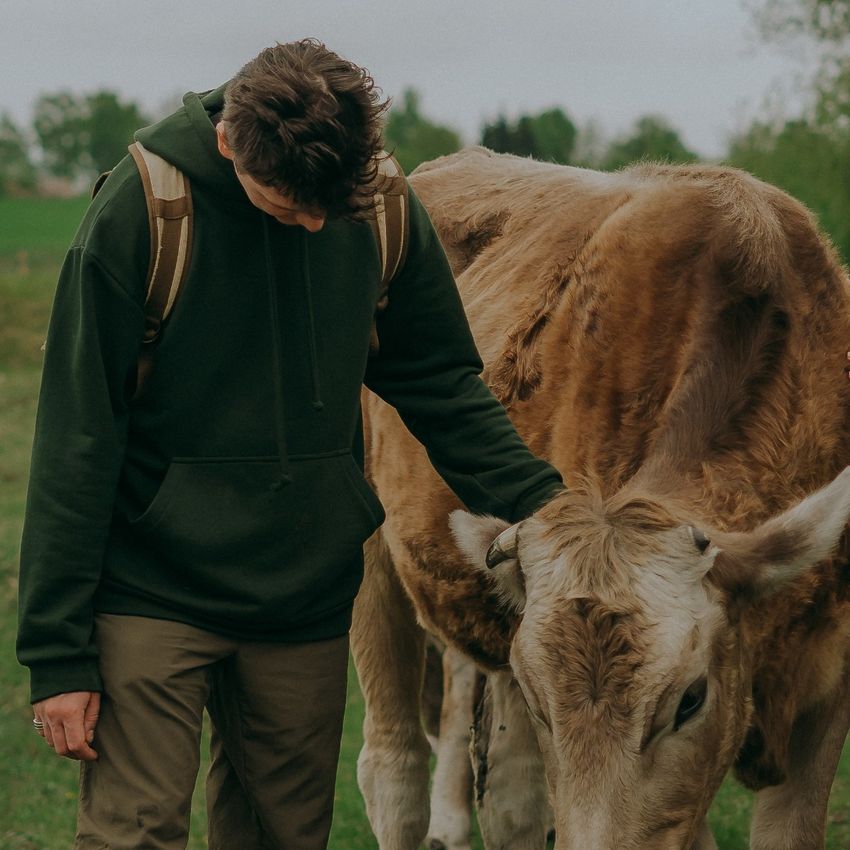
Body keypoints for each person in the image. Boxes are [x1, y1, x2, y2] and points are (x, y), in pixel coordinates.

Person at [16, 39, 563, 850]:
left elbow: (442, 385)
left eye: (328, 207)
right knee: (133, 835)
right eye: (288, 204)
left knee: (283, 838)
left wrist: (549, 508)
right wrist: (58, 658)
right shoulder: (142, 211)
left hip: (301, 604)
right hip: (149, 595)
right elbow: (75, 441)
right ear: (232, 142)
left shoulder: (375, 204)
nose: (312, 223)